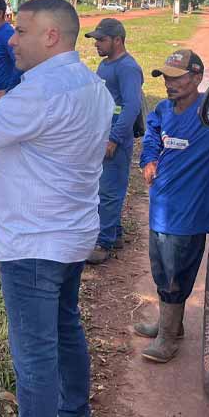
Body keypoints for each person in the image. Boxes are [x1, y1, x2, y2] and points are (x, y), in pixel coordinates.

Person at [0, 0, 115, 417]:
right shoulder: (91, 85)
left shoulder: (44, 91)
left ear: (51, 36)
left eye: (21, 31)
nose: (12, 40)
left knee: (35, 352)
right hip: (70, 235)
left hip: (33, 241)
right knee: (65, 327)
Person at [135, 49, 209, 364]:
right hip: (161, 207)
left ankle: (168, 338)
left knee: (177, 274)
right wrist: (148, 160)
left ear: (197, 77)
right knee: (161, 269)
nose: (169, 84)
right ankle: (169, 324)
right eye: (166, 78)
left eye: (177, 78)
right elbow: (151, 138)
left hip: (191, 212)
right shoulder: (162, 110)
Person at [84, 18, 143, 264]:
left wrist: (114, 138)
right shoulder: (105, 65)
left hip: (115, 139)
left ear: (117, 40)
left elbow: (131, 106)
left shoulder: (127, 68)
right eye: (96, 39)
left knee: (110, 191)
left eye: (101, 39)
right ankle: (114, 232)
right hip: (103, 135)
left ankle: (104, 241)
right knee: (103, 187)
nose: (96, 44)